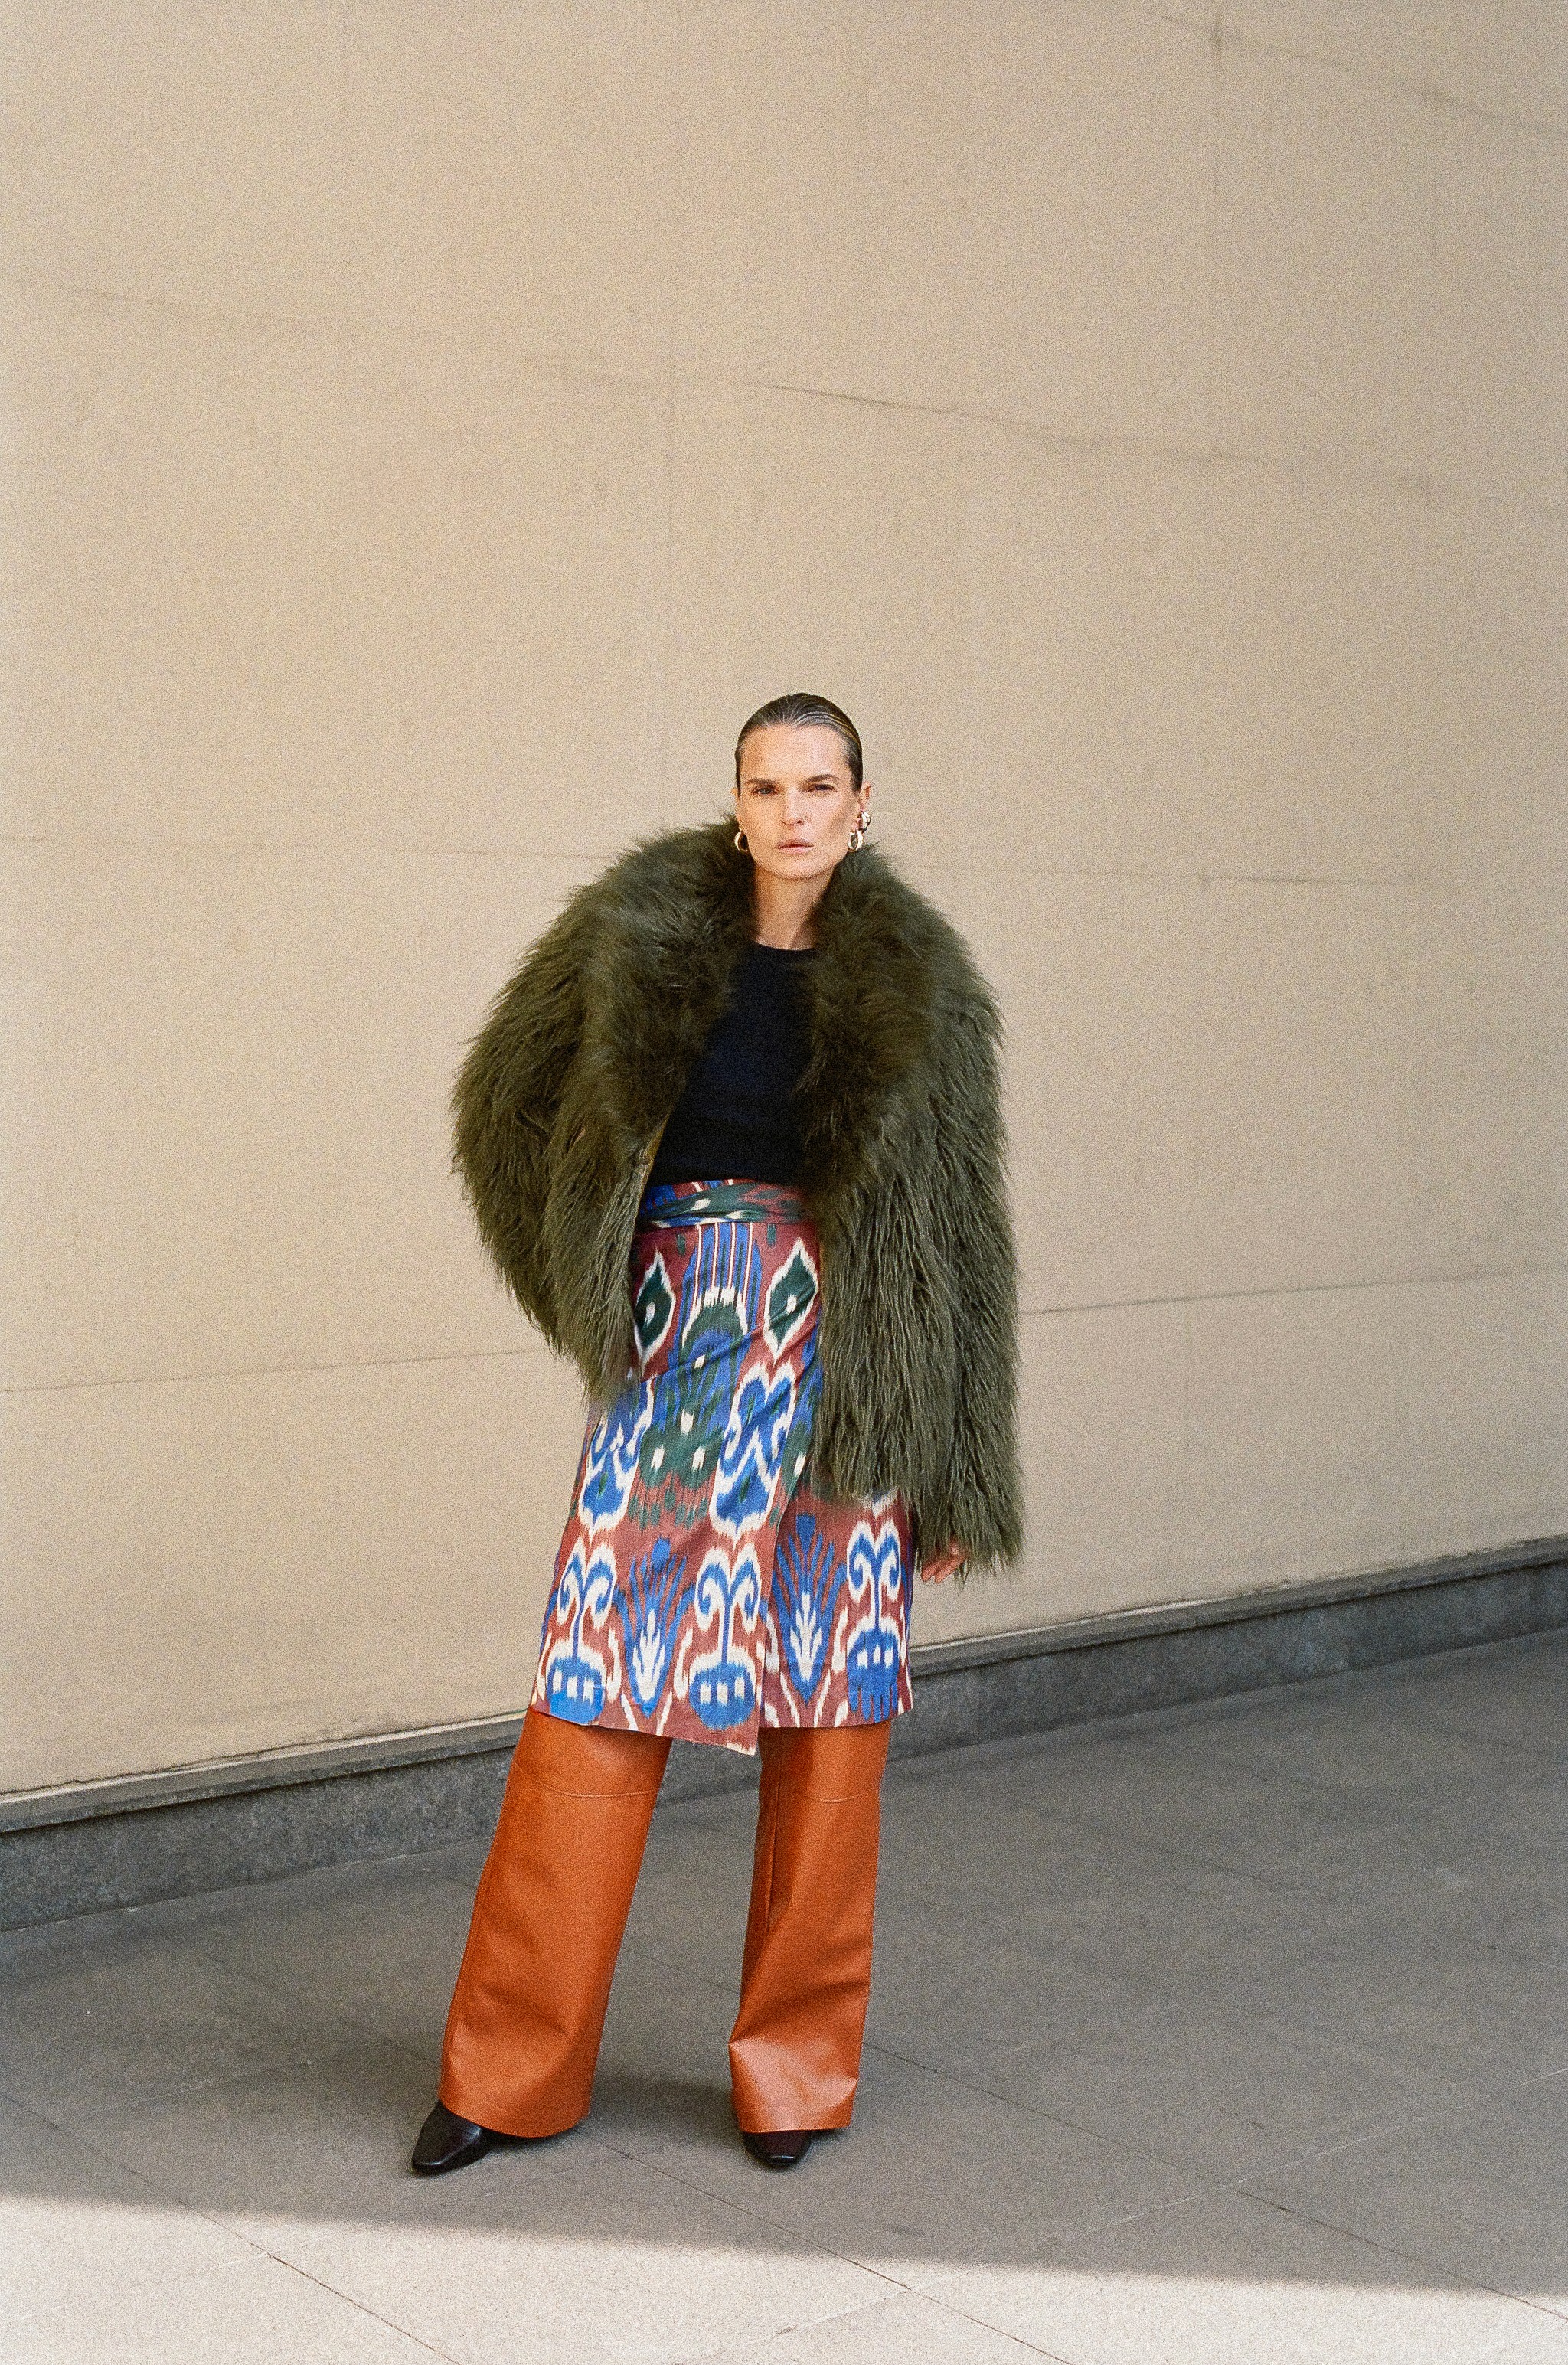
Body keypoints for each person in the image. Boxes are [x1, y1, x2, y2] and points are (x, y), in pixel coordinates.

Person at [411, 691, 1023, 2177]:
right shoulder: (638, 933)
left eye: (822, 785)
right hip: (683, 1356)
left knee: (829, 1723)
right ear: (736, 800)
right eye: (769, 783)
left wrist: (952, 1462)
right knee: (595, 1701)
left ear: (861, 805)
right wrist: (598, 1286)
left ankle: (794, 2083)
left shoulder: (924, 989)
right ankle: (505, 2073)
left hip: (845, 1379)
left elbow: (960, 1243)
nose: (795, 810)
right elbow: (503, 1110)